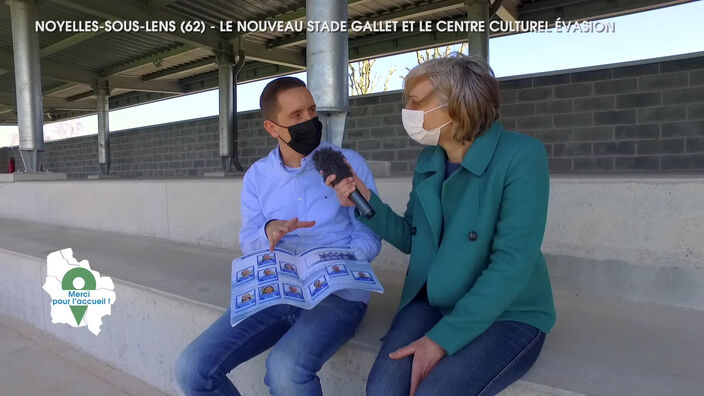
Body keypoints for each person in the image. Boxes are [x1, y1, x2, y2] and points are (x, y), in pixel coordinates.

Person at [328, 54, 556, 396]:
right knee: (382, 390)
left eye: (416, 101)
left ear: (457, 105)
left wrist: (442, 339)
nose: (407, 109)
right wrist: (367, 202)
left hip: (508, 311)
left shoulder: (522, 155)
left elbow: (512, 264)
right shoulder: (430, 158)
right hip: (434, 298)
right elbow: (412, 237)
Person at [174, 76, 382, 396]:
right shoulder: (257, 176)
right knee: (192, 368)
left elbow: (370, 234)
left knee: (285, 370)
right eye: (296, 116)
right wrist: (269, 230)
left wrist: (342, 262)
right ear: (272, 128)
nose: (309, 121)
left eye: (311, 111)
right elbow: (249, 241)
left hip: (338, 294)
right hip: (278, 289)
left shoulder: (347, 163)